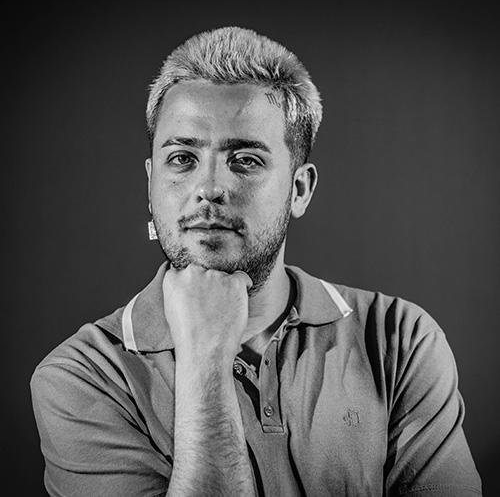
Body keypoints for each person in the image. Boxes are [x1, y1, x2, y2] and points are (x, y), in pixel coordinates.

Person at [30, 26, 482, 497]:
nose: (208, 188)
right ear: (150, 184)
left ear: (299, 189)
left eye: (245, 160)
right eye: (182, 158)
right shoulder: (81, 378)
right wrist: (206, 360)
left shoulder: (399, 340)